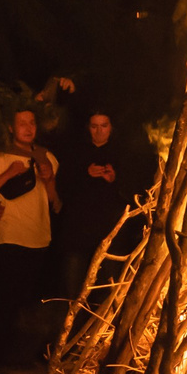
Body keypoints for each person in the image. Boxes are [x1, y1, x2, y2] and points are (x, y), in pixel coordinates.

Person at [0, 106, 60, 369]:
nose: (28, 127)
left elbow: (55, 203)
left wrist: (48, 180)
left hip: (37, 238)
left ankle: (18, 356)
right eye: (21, 123)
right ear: (11, 127)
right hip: (7, 236)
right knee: (3, 298)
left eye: (32, 122)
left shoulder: (48, 158)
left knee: (25, 301)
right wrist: (8, 174)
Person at [55, 109, 144, 335]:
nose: (99, 130)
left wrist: (114, 179)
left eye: (103, 125)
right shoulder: (76, 154)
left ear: (111, 128)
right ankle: (68, 342)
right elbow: (63, 188)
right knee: (74, 291)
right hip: (77, 235)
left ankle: (98, 340)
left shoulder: (122, 155)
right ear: (88, 128)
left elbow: (133, 194)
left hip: (109, 236)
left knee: (107, 289)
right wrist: (85, 173)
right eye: (94, 126)